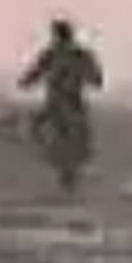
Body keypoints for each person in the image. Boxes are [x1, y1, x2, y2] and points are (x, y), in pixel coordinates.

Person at [17, 16, 104, 192]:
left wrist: (26, 82)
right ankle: (67, 171)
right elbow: (96, 80)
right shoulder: (76, 54)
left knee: (51, 134)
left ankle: (66, 171)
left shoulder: (56, 54)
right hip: (68, 103)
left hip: (61, 103)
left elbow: (35, 74)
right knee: (68, 137)